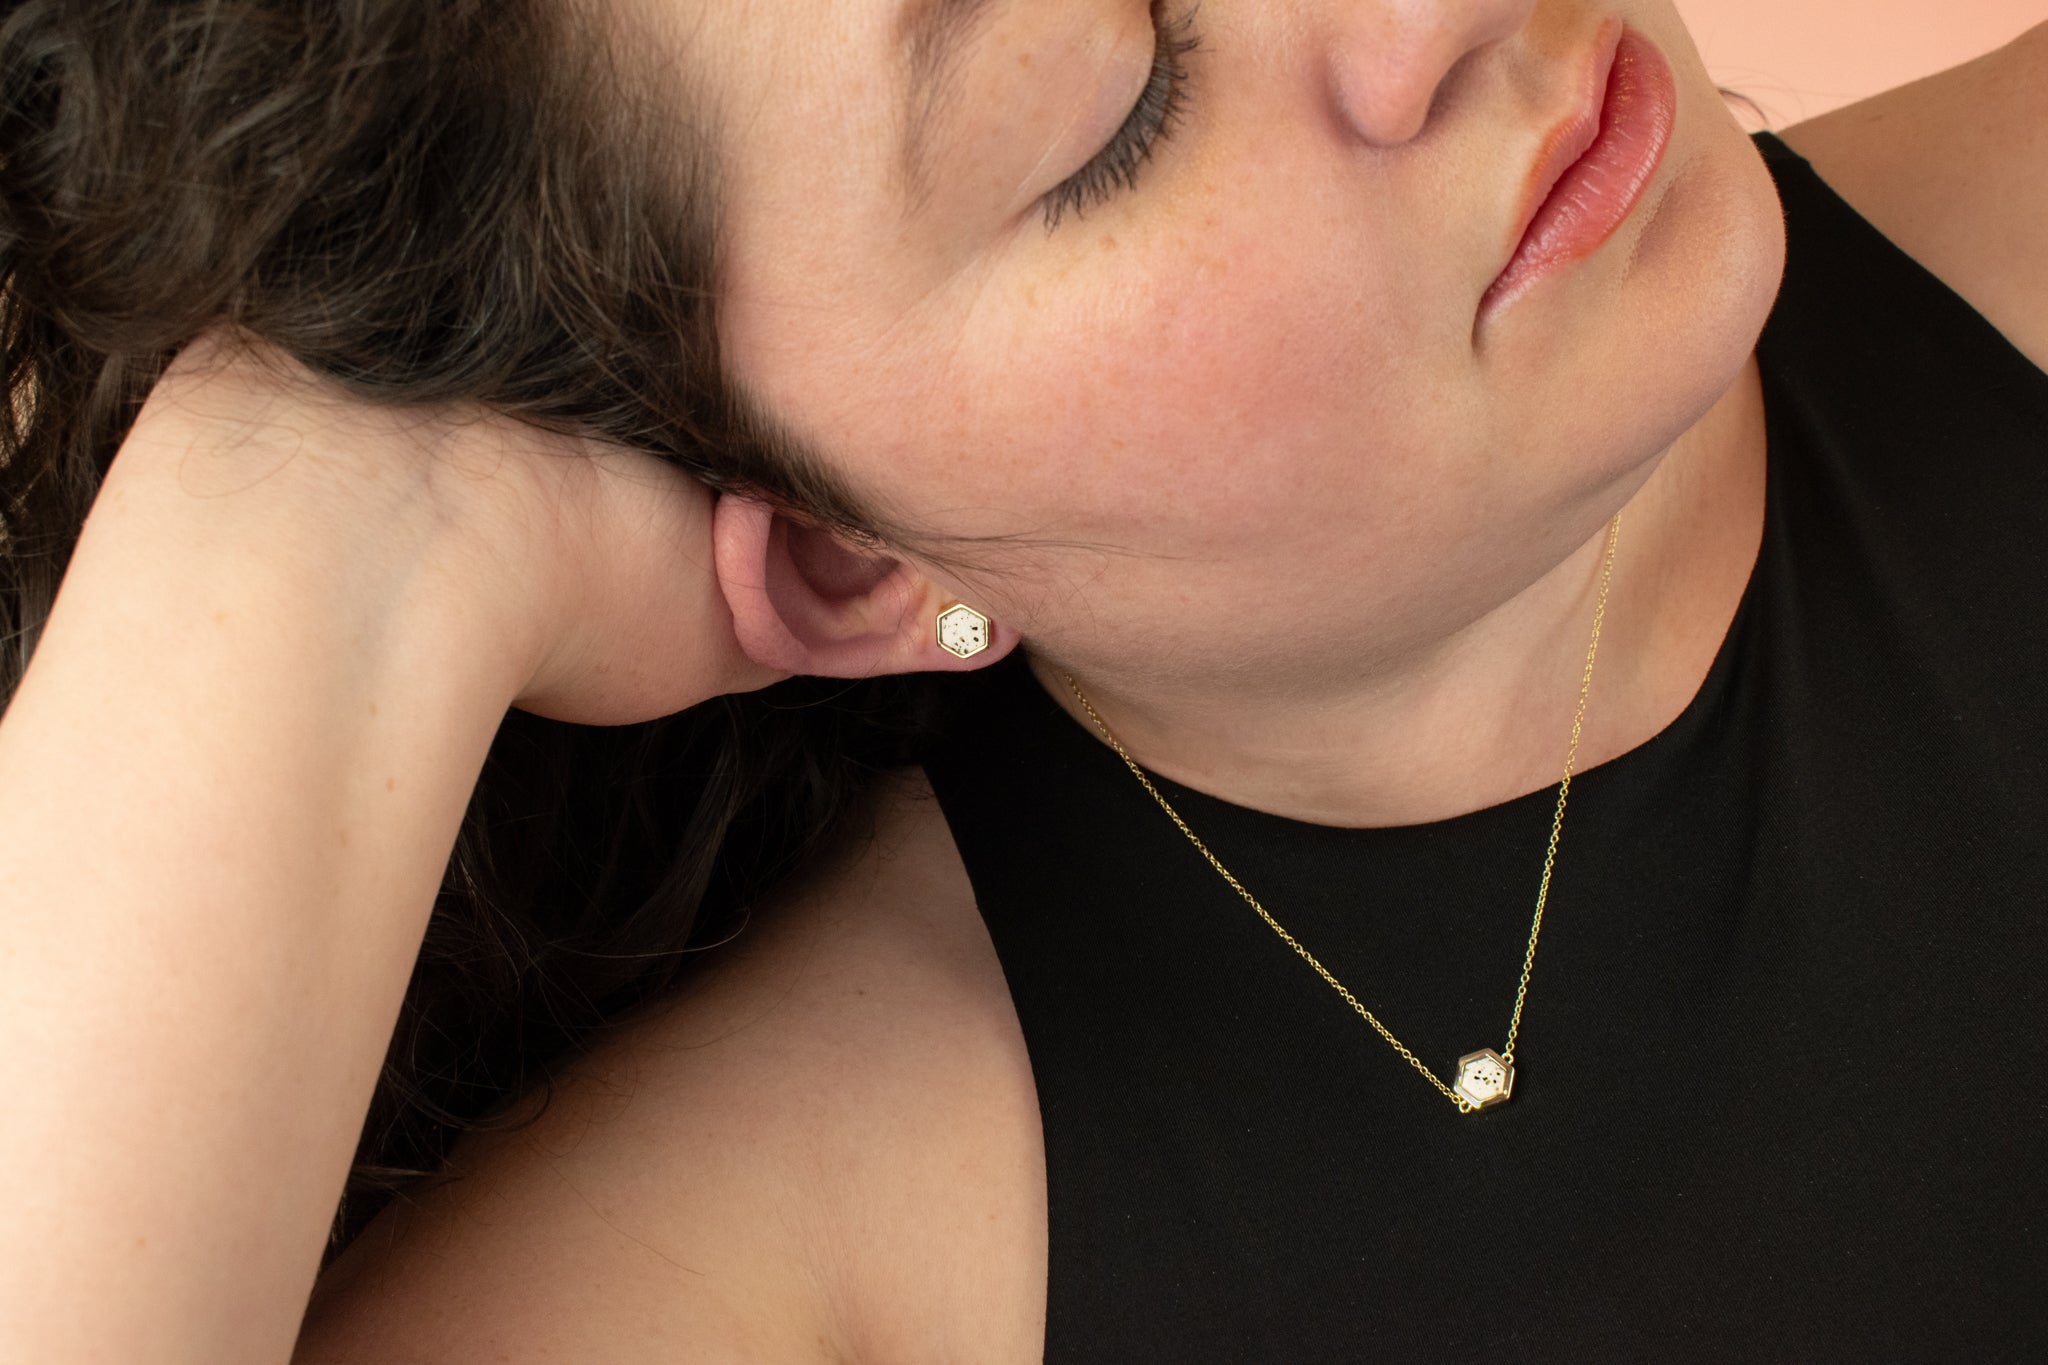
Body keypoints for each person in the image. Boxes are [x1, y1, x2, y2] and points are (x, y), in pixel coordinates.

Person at [1, 0, 2042, 1358]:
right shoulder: (795, 1257)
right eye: (1111, 107)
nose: (1422, 14)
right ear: (839, 548)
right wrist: (317, 508)